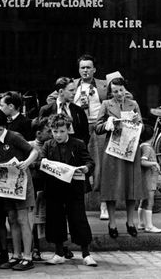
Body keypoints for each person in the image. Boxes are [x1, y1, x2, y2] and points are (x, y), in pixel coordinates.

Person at [47, 54, 109, 220]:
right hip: (75, 128)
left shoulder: (104, 85)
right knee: (75, 164)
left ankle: (103, 204)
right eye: (83, 67)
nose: (86, 70)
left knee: (100, 165)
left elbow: (124, 96)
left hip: (97, 127)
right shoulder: (71, 84)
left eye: (89, 67)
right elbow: (52, 98)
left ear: (94, 69)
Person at [0, 109, 38, 271]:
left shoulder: (14, 137)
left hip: (21, 183)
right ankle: (16, 255)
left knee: (22, 219)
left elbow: (34, 151)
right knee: (12, 219)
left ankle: (28, 256)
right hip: (6, 185)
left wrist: (26, 162)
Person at [95, 72, 146, 238]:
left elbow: (143, 128)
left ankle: (131, 222)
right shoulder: (106, 104)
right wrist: (107, 125)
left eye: (121, 90)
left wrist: (138, 123)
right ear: (111, 92)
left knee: (131, 185)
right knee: (111, 186)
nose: (119, 94)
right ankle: (112, 222)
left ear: (125, 89)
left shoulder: (133, 104)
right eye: (115, 91)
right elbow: (97, 127)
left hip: (130, 149)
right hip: (113, 151)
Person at [41, 114, 97, 267]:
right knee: (55, 219)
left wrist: (86, 168)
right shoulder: (48, 145)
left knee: (78, 219)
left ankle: (86, 253)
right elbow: (42, 161)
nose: (58, 135)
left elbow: (89, 161)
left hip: (73, 189)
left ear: (68, 130)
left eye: (61, 131)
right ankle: (59, 253)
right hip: (55, 188)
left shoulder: (78, 144)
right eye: (54, 131)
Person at [39, 77, 90, 147]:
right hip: (54, 149)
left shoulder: (79, 111)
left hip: (75, 149)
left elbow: (85, 134)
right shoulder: (46, 110)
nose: (74, 93)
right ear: (61, 92)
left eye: (75, 90)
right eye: (71, 90)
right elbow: (43, 133)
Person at [28, 117, 52, 261]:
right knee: (34, 219)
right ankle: (35, 248)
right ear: (38, 133)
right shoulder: (29, 146)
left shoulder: (52, 144)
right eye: (48, 131)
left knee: (50, 217)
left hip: (48, 185)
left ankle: (61, 247)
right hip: (34, 186)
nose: (51, 134)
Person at [137, 124, 161, 233]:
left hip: (145, 179)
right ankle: (149, 225)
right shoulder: (147, 148)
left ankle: (141, 223)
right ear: (153, 136)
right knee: (150, 202)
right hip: (149, 179)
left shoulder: (141, 146)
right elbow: (142, 161)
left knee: (143, 201)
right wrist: (154, 163)